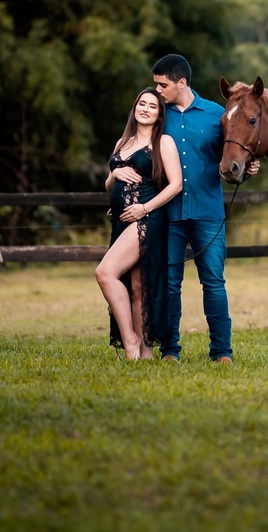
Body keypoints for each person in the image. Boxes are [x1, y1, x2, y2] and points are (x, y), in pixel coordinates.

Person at [152, 54, 258, 362]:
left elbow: (234, 156)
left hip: (208, 213)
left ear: (181, 82)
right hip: (168, 214)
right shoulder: (158, 115)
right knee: (169, 285)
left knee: (213, 283)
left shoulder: (216, 115)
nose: (157, 91)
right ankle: (169, 350)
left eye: (162, 85)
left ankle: (221, 351)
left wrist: (247, 171)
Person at [95, 88, 182, 361]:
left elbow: (176, 185)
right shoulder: (123, 142)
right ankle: (144, 354)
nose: (145, 109)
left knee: (105, 273)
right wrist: (115, 173)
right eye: (142, 104)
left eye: (152, 106)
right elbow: (109, 185)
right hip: (121, 220)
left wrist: (144, 208)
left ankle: (130, 340)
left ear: (159, 114)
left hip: (146, 217)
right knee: (136, 286)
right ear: (135, 108)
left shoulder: (163, 142)